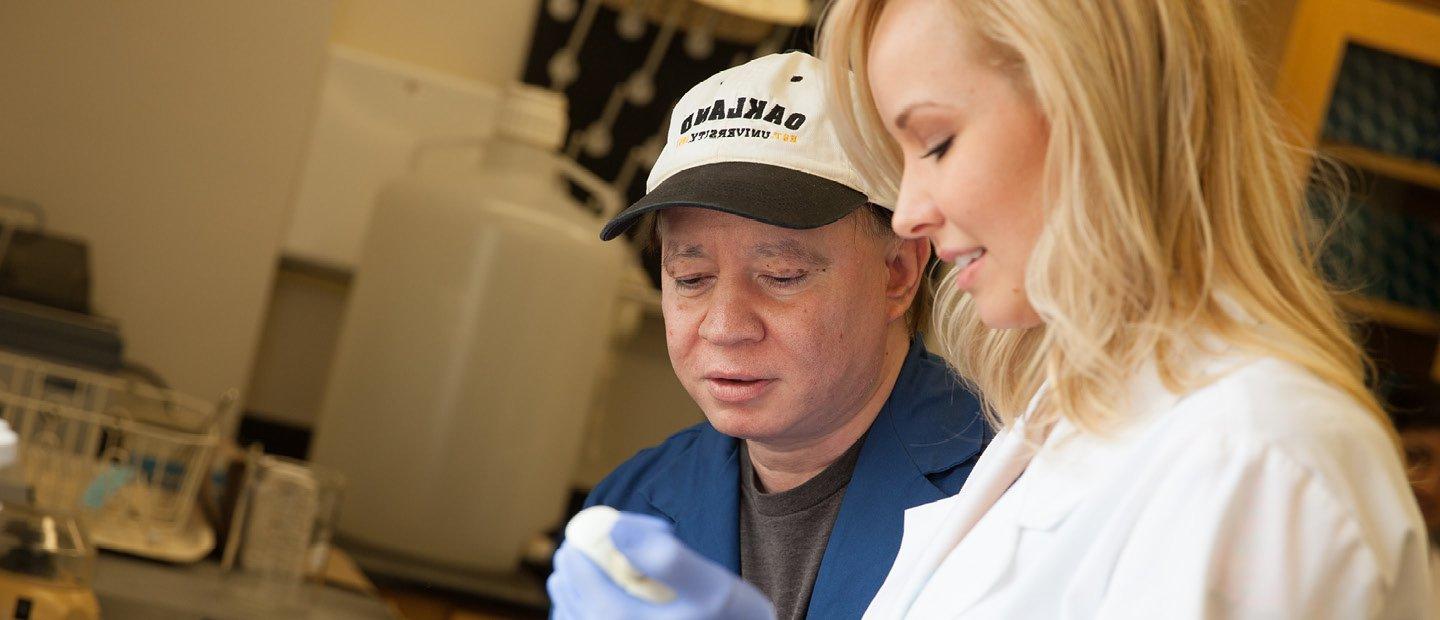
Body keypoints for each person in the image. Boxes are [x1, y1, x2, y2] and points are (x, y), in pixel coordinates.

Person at [550, 0, 1434, 618]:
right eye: (690, 274)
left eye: (934, 141)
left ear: (1095, 110)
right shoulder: (1059, 435)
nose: (911, 212)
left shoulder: (1265, 457)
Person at [546, 52, 989, 620]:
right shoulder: (631, 504)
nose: (726, 327)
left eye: (782, 276)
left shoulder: (1005, 490)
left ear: (897, 273)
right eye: (691, 278)